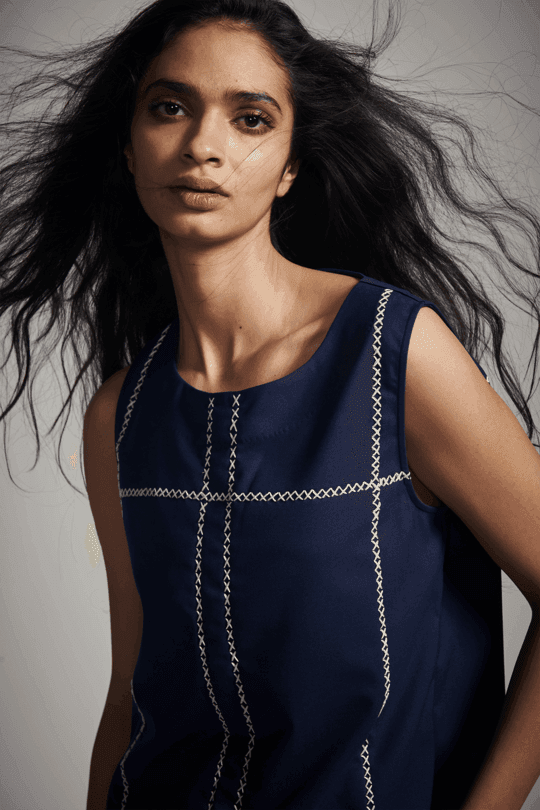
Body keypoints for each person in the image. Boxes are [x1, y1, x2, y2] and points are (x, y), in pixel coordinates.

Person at [0, 0, 539, 808]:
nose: (202, 145)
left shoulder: (395, 354)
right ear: (129, 146)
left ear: (290, 167)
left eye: (250, 118)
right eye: (169, 107)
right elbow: (130, 692)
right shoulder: (121, 414)